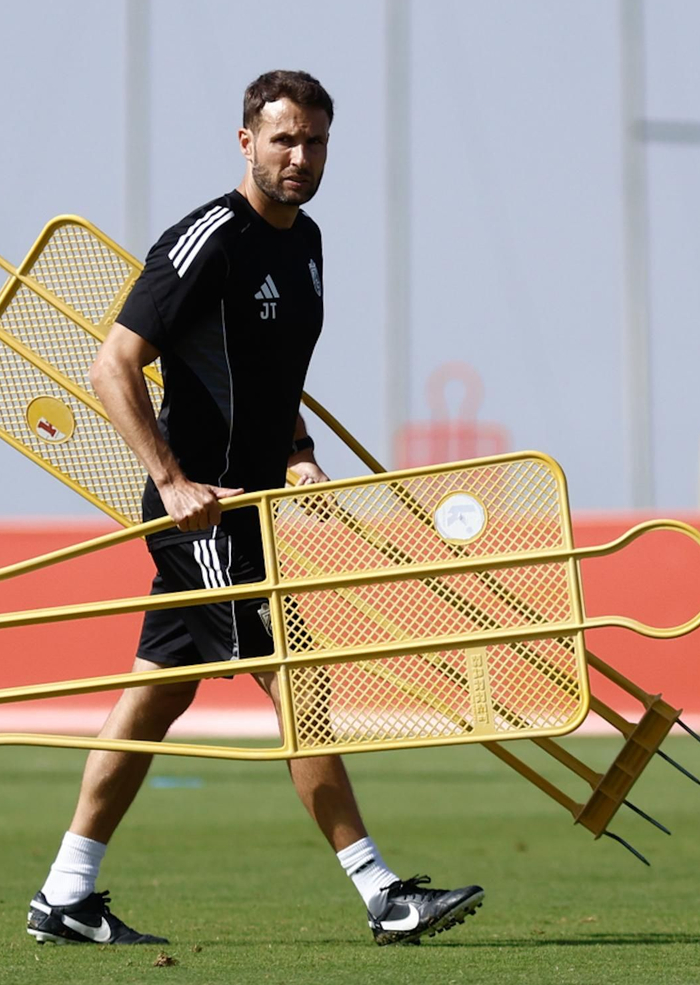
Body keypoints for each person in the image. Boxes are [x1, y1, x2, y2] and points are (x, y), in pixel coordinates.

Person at [25, 71, 482, 948]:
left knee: (157, 695)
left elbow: (273, 381)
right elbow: (111, 368)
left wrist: (299, 452)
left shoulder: (307, 241)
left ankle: (66, 894)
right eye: (283, 140)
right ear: (246, 141)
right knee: (296, 682)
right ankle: (382, 891)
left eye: (314, 141)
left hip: (256, 506)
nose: (300, 157)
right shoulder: (208, 242)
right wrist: (170, 481)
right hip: (202, 515)